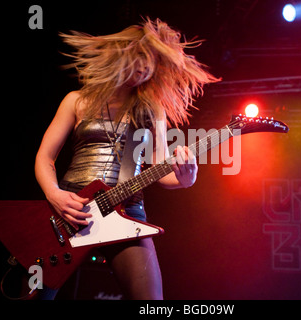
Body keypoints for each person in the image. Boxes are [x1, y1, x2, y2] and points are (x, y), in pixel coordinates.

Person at [34, 17, 219, 300]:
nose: (145, 68)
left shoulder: (150, 110)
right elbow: (45, 158)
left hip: (127, 211)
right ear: (121, 55)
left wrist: (186, 177)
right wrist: (55, 195)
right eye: (140, 58)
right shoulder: (76, 100)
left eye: (151, 63)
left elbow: (162, 169)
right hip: (71, 210)